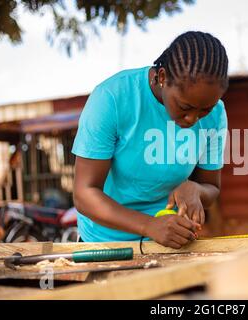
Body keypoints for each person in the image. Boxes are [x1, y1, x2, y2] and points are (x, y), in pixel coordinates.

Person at [72, 31, 229, 248]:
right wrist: (149, 225)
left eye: (205, 110)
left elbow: (211, 188)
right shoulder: (112, 99)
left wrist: (196, 190)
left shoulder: (217, 115)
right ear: (162, 77)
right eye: (185, 107)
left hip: (171, 244)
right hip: (106, 245)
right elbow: (84, 194)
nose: (193, 118)